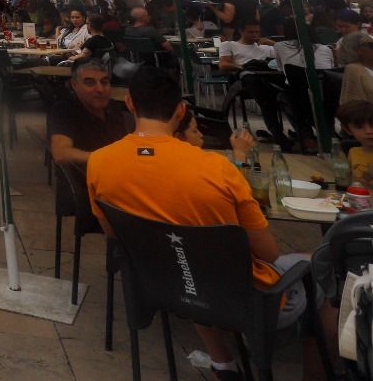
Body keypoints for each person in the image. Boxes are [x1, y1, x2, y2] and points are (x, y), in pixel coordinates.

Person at [88, 70, 311, 379]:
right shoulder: (217, 168)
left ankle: (223, 361)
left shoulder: (99, 162)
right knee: (321, 262)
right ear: (180, 110)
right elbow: (269, 254)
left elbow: (114, 233)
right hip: (240, 296)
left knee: (193, 256)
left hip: (164, 287)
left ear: (128, 103)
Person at [47, 59, 132, 166]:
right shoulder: (64, 109)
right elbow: (61, 153)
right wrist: (106, 158)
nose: (100, 89)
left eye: (104, 82)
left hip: (116, 170)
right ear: (74, 85)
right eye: (90, 83)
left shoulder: (112, 105)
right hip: (87, 177)